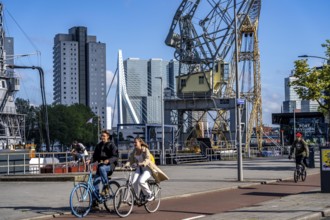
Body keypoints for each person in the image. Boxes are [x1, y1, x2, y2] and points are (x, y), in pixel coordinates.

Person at [124, 137, 169, 202]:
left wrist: (143, 163)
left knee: (141, 181)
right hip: (139, 168)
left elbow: (148, 159)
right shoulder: (135, 150)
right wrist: (126, 165)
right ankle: (136, 198)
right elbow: (130, 159)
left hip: (147, 168)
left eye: (135, 142)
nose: (134, 144)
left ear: (140, 143)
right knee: (134, 182)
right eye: (134, 142)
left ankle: (150, 194)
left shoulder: (145, 150)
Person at [86, 130, 118, 210]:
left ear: (108, 136)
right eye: (101, 136)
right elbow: (95, 156)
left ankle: (106, 186)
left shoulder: (112, 145)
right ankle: (95, 202)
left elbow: (115, 156)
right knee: (95, 183)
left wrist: (108, 160)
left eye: (104, 136)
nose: (102, 137)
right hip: (101, 166)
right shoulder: (99, 145)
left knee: (101, 168)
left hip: (110, 166)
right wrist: (90, 160)